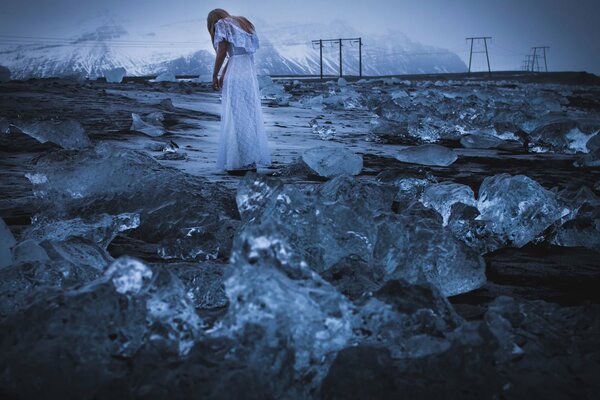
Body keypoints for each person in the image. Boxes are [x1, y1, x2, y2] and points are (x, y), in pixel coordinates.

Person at [207, 8, 271, 174]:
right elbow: (239, 53)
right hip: (249, 74)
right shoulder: (244, 23)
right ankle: (250, 161)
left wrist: (215, 74)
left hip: (235, 75)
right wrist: (223, 73)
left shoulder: (221, 24)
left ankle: (241, 163)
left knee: (237, 119)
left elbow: (223, 52)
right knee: (249, 116)